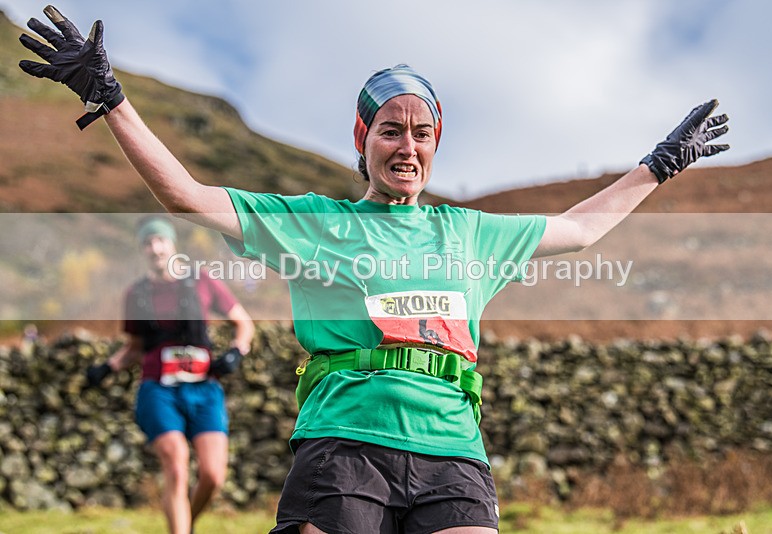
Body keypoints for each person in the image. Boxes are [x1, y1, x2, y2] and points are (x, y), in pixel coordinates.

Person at [20, 6, 729, 533]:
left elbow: (580, 227)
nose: (408, 147)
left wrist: (661, 163)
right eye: (391, 130)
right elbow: (188, 196)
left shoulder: (471, 234)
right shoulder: (312, 222)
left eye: (423, 134)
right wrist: (109, 99)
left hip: (454, 452)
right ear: (363, 141)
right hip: (343, 447)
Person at [85, 215, 255, 534]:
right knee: (176, 464)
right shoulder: (136, 295)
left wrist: (236, 352)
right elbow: (134, 347)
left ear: (172, 244)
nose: (155, 247)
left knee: (213, 475)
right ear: (142, 251)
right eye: (148, 243)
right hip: (158, 390)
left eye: (160, 240)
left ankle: (184, 524)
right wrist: (107, 368)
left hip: (204, 388)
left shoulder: (202, 281)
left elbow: (244, 324)